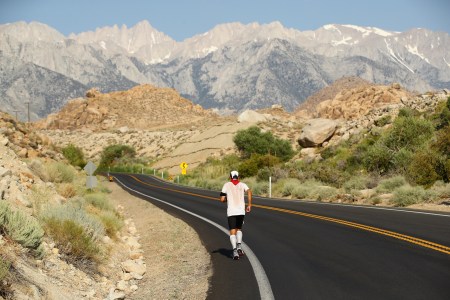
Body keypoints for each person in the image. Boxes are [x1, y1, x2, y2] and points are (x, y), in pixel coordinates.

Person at [220, 170, 252, 260]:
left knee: (232, 231)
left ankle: (234, 251)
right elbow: (249, 192)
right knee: (239, 229)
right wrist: (249, 204)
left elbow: (222, 199)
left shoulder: (226, 185)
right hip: (241, 211)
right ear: (238, 177)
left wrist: (227, 199)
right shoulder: (243, 185)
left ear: (230, 177)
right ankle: (239, 247)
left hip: (231, 211)